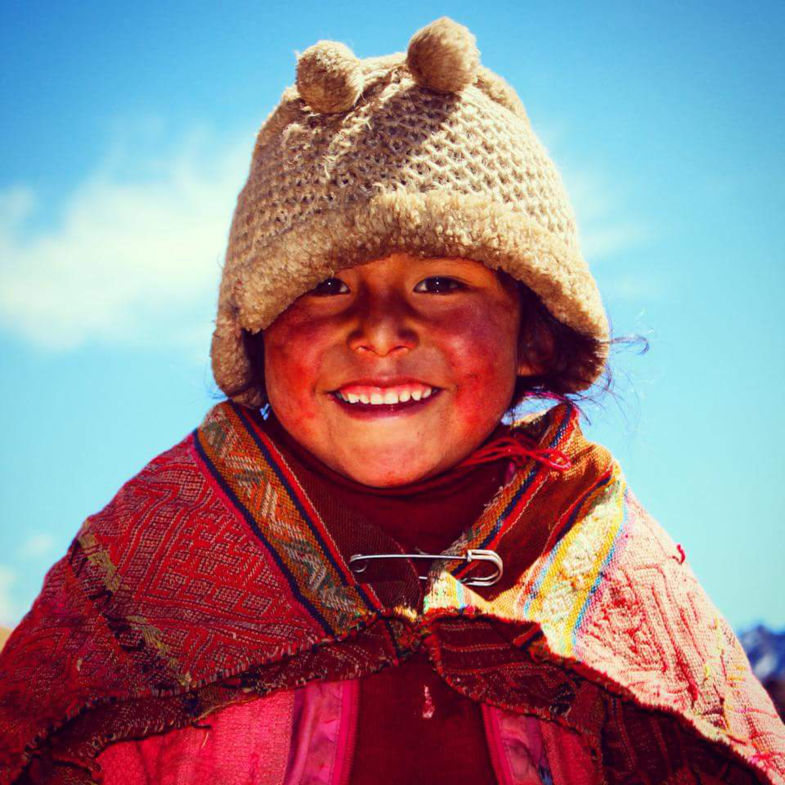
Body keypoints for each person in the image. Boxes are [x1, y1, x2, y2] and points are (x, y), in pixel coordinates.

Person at [0, 16, 783, 785]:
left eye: (440, 283)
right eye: (326, 285)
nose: (378, 332)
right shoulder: (145, 567)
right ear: (255, 336)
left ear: (536, 335)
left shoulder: (619, 574)